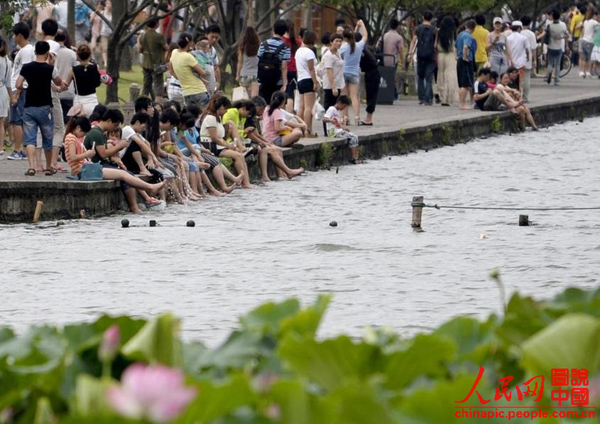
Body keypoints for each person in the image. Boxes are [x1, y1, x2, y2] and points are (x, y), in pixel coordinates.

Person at [64, 116, 165, 195]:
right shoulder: (71, 139)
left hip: (85, 169)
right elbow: (73, 157)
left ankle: (150, 188)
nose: (83, 135)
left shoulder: (72, 138)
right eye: (83, 132)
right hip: (84, 171)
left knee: (123, 174)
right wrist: (87, 154)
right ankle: (150, 188)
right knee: (123, 174)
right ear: (77, 128)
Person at [13, 41, 66, 176]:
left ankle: (32, 167)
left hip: (29, 105)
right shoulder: (50, 69)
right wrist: (52, 65)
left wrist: (22, 88)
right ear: (48, 53)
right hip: (45, 107)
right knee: (47, 137)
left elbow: (18, 83)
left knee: (30, 139)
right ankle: (49, 167)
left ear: (35, 52)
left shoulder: (27, 67)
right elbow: (59, 82)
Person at [223, 99, 303, 182]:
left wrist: (264, 141)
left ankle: (281, 175)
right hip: (233, 141)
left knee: (276, 149)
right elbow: (230, 130)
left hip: (243, 140)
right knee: (266, 150)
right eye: (248, 114)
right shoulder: (232, 113)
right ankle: (271, 175)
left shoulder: (242, 117)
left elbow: (251, 133)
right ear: (243, 109)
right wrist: (245, 132)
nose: (248, 116)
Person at [200, 95, 253, 188]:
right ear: (221, 107)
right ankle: (245, 183)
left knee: (239, 154)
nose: (226, 112)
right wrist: (228, 146)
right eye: (225, 109)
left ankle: (246, 181)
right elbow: (214, 138)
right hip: (210, 145)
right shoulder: (210, 118)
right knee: (238, 156)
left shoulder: (218, 118)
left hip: (218, 145)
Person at [7, 22, 35, 161]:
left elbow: (25, 74)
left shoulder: (26, 51)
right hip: (19, 89)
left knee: (17, 121)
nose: (13, 38)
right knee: (17, 121)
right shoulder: (25, 50)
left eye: (14, 35)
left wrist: (17, 94)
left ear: (19, 35)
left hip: (20, 90)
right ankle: (21, 150)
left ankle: (18, 150)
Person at [169, 32, 209, 108]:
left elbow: (171, 71)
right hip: (199, 90)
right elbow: (203, 73)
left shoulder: (174, 52)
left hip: (186, 92)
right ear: (189, 43)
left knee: (191, 116)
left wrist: (182, 78)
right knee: (205, 114)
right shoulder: (188, 57)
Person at [257, 19, 290, 105]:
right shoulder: (285, 47)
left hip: (263, 79)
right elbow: (284, 67)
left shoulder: (263, 44)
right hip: (277, 80)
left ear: (273, 29)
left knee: (264, 103)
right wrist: (284, 83)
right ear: (284, 32)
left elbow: (258, 60)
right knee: (275, 104)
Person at [340, 20, 367, 123]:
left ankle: (345, 117)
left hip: (344, 72)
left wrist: (355, 28)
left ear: (344, 37)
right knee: (354, 96)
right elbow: (365, 36)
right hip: (355, 73)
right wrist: (362, 25)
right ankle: (357, 117)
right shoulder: (359, 46)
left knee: (344, 96)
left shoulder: (343, 47)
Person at [64, 44, 102, 117]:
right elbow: (97, 82)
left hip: (79, 101)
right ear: (90, 55)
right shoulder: (95, 67)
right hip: (92, 99)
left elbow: (66, 85)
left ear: (77, 56)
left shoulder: (73, 70)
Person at [323, 95, 360, 164]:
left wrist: (343, 128)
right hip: (333, 132)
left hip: (338, 130)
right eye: (344, 106)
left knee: (354, 137)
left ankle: (356, 157)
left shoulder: (337, 112)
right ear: (339, 103)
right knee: (353, 137)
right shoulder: (332, 109)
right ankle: (354, 157)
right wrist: (331, 120)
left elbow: (337, 125)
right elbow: (324, 119)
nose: (344, 108)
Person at [409, 12, 436, 105]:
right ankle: (428, 99)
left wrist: (410, 52)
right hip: (430, 55)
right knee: (429, 78)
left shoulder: (418, 29)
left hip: (420, 54)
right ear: (431, 19)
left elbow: (413, 40)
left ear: (423, 17)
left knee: (420, 77)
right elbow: (435, 44)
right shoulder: (434, 30)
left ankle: (421, 97)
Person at [295, 30, 318, 137]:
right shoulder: (309, 52)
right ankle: (308, 130)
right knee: (309, 107)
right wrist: (315, 82)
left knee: (301, 107)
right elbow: (311, 69)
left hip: (300, 79)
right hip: (308, 79)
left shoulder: (298, 51)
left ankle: (300, 129)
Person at [139, 19, 168, 101]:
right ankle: (158, 104)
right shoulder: (159, 36)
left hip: (146, 63)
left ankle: (143, 103)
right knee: (158, 85)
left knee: (146, 85)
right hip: (157, 64)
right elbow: (166, 48)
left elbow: (140, 49)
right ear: (156, 24)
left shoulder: (143, 35)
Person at [436, 16, 458, 106]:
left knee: (441, 75)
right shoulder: (453, 33)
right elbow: (454, 46)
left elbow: (435, 45)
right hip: (450, 55)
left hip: (441, 55)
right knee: (450, 75)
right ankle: (448, 98)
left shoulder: (439, 32)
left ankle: (441, 97)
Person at [55, 29, 77, 123]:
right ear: (65, 39)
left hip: (55, 91)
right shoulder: (72, 53)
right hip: (69, 91)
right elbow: (76, 70)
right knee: (68, 121)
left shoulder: (51, 53)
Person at [545, 9, 569, 86]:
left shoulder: (549, 26)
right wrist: (561, 37)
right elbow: (567, 35)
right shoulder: (562, 26)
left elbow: (546, 35)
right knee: (558, 64)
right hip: (559, 47)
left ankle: (548, 73)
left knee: (550, 63)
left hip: (551, 46)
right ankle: (556, 80)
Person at [456, 20, 476, 110]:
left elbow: (455, 46)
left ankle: (461, 102)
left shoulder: (460, 35)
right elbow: (465, 47)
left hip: (459, 60)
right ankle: (462, 104)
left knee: (461, 83)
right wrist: (465, 57)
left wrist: (456, 56)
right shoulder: (468, 36)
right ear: (473, 28)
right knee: (466, 84)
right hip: (465, 61)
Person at [359, 38, 380, 126]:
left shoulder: (362, 50)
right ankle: (368, 116)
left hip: (372, 72)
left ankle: (369, 117)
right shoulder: (364, 48)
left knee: (371, 95)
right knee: (370, 94)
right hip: (371, 72)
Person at [322, 33, 345, 111]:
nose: (339, 43)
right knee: (329, 105)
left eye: (340, 41)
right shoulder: (328, 55)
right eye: (336, 41)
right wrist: (333, 87)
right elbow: (329, 71)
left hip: (338, 83)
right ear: (331, 42)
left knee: (335, 106)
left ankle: (333, 121)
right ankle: (327, 121)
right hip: (330, 85)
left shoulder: (338, 53)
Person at [282, 19, 301, 112]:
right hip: (294, 70)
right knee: (291, 94)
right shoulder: (298, 42)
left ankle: (285, 115)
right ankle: (291, 115)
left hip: (283, 69)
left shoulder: (281, 41)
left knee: (284, 94)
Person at [236, 26, 260, 98]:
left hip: (244, 75)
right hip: (255, 74)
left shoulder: (242, 47)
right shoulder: (259, 46)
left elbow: (240, 62)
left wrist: (237, 75)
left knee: (244, 97)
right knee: (254, 98)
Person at [506, 21, 529, 94]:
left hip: (510, 63)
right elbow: (527, 49)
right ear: (519, 28)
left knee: (510, 80)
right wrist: (528, 58)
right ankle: (519, 94)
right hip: (520, 63)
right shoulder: (524, 38)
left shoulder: (508, 38)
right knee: (520, 80)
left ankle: (511, 94)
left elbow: (506, 50)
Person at [520, 16, 537, 102]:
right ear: (529, 23)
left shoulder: (519, 32)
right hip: (528, 57)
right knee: (527, 78)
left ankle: (517, 95)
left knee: (518, 77)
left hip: (518, 57)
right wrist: (535, 60)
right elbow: (534, 48)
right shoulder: (531, 34)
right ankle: (525, 97)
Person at [580, 8, 599, 77]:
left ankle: (582, 71)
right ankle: (588, 71)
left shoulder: (585, 21)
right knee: (590, 58)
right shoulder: (593, 22)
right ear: (593, 15)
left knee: (584, 58)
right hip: (590, 41)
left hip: (584, 40)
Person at [0, 39, 11, 157]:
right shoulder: (7, 61)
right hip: (2, 91)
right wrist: (12, 97)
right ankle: (1, 147)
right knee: (1, 122)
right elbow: (8, 82)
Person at [206, 24, 222, 91]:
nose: (214, 40)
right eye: (212, 37)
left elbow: (216, 67)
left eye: (217, 37)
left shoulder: (213, 50)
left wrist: (218, 82)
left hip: (210, 86)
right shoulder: (199, 49)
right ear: (206, 35)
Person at [99, 0, 112, 69]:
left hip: (111, 33)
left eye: (110, 3)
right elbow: (99, 23)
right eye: (108, 3)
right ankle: (106, 63)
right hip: (104, 33)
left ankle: (108, 61)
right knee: (104, 49)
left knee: (110, 49)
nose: (109, 5)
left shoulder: (112, 14)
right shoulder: (102, 13)